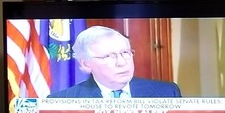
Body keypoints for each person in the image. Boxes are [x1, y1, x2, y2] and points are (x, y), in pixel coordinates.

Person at [48, 25, 181, 98]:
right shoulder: (63, 100)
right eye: (109, 56)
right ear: (86, 64)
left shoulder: (168, 92)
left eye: (125, 53)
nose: (122, 62)